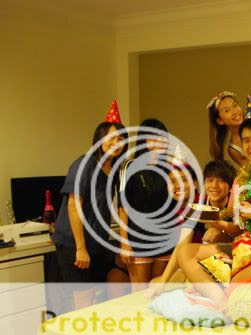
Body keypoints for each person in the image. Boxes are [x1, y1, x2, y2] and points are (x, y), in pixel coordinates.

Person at [176, 100, 251, 308]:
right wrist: (215, 223)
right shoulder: (241, 180)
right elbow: (238, 228)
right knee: (185, 252)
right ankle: (221, 298)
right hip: (245, 248)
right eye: (247, 141)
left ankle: (228, 288)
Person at [53, 103, 127, 310]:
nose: (117, 143)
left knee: (94, 298)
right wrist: (81, 248)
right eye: (112, 138)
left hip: (97, 244)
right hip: (75, 244)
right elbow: (73, 206)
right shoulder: (85, 164)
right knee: (83, 300)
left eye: (121, 139)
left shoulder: (113, 169)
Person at [144, 160, 235, 299]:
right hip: (201, 262)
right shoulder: (198, 207)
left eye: (221, 181)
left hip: (230, 262)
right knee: (154, 283)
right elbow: (181, 245)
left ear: (230, 187)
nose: (214, 186)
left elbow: (243, 238)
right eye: (210, 180)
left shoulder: (235, 206)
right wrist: (162, 282)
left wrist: (220, 230)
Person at [118, 118, 174, 288]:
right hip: (138, 240)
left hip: (164, 240)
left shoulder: (169, 168)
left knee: (158, 292)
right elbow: (123, 207)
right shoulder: (130, 166)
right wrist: (124, 243)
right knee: (139, 294)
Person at [207, 91, 246, 170]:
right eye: (227, 110)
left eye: (235, 105)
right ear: (220, 121)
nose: (235, 112)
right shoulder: (233, 149)